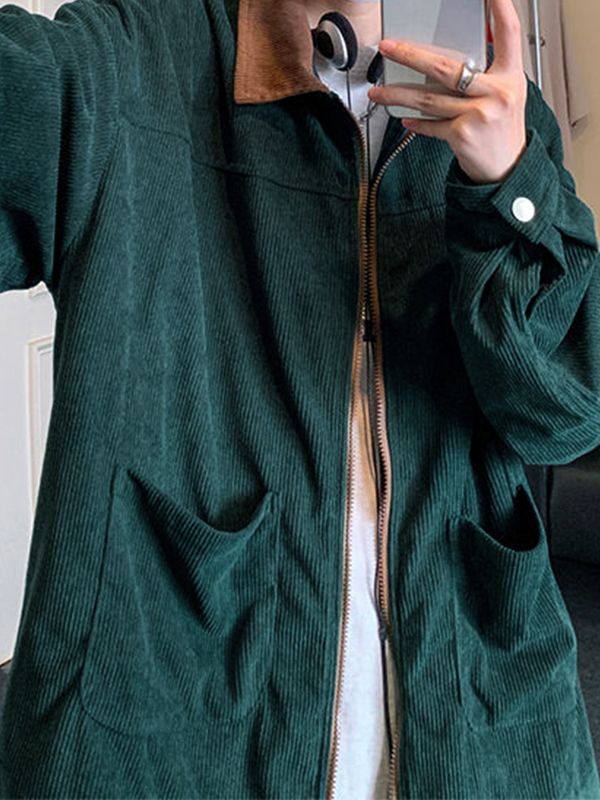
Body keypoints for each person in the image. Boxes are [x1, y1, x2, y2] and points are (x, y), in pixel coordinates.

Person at [0, 0, 599, 796]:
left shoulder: (508, 109)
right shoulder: (127, 65)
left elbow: (563, 416)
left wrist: (507, 184)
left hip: (481, 726)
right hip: (180, 739)